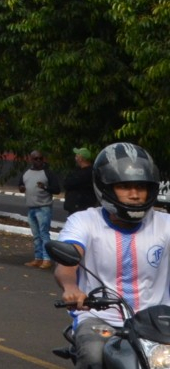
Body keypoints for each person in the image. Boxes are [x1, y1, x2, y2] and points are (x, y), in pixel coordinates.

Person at [54, 143, 170, 366]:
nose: (135, 195)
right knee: (94, 354)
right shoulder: (84, 221)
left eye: (141, 186)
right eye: (124, 186)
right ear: (105, 187)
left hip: (158, 322)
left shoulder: (165, 225)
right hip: (101, 319)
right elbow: (67, 262)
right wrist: (71, 288)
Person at [24, 150, 54, 269]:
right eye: (35, 159)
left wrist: (45, 187)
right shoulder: (27, 173)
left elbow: (56, 189)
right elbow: (21, 184)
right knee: (36, 235)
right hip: (31, 207)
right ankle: (38, 258)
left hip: (43, 207)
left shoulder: (47, 173)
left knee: (44, 234)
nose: (38, 161)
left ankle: (47, 259)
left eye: (40, 158)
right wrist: (21, 187)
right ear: (31, 159)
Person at [63, 147, 97, 215]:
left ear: (81, 158)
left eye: (76, 156)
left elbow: (69, 183)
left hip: (81, 209)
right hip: (74, 208)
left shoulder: (89, 172)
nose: (75, 158)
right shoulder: (77, 170)